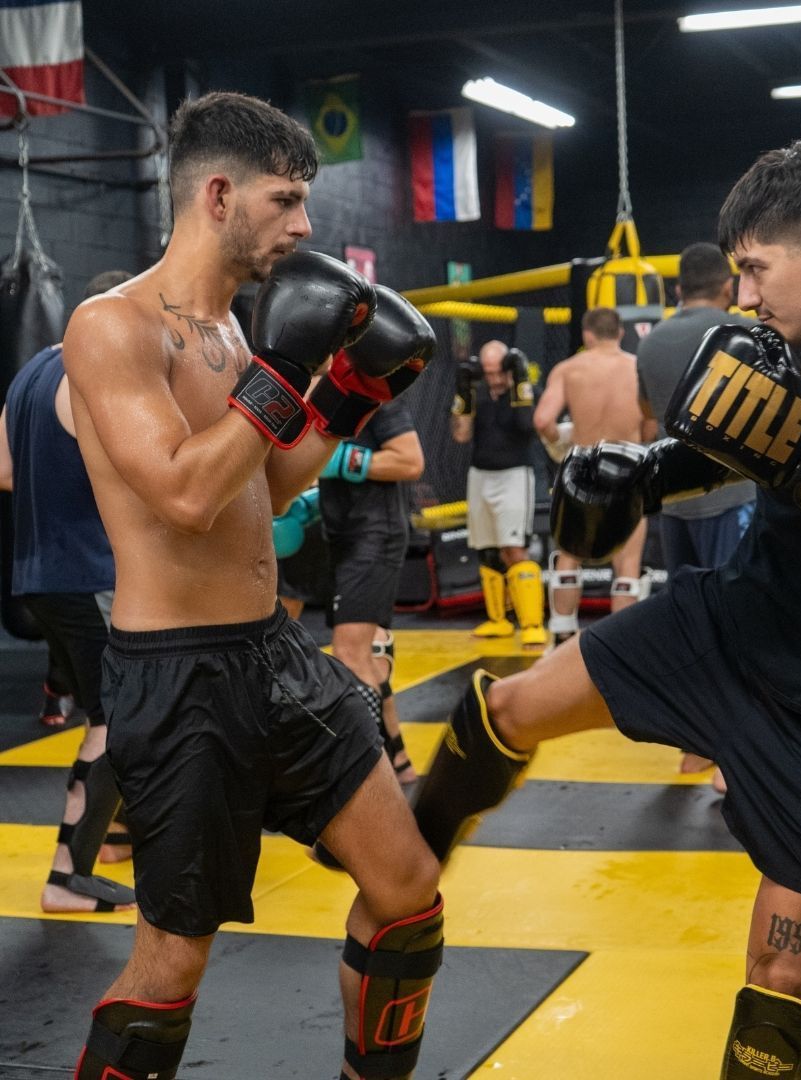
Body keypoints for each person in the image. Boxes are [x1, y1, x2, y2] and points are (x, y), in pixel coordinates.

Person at [413, 138, 801, 1079]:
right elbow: (736, 441)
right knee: (508, 706)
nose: (743, 296)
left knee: (777, 983)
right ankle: (411, 857)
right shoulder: (781, 349)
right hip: (732, 627)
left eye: (753, 269)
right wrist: (641, 477)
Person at [63, 91, 442, 1080]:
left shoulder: (232, 333)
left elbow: (262, 484)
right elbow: (185, 495)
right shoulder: (110, 328)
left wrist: (348, 402)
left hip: (274, 655)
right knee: (169, 965)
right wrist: (287, 367)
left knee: (408, 892)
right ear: (220, 195)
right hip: (178, 679)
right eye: (286, 201)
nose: (307, 227)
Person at [0, 269, 136, 915]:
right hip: (87, 571)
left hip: (38, 573)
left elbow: (2, 468)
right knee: (116, 720)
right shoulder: (93, 372)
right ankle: (67, 874)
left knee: (114, 715)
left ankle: (108, 842)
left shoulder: (31, 371)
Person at [635, 243, 758, 782]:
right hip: (731, 498)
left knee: (689, 619)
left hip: (674, 500)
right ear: (727, 285)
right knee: (740, 622)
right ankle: (732, 757)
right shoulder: (742, 334)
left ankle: (694, 744)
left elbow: (647, 416)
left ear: (677, 286)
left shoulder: (650, 342)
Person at [319, 396, 425, 784]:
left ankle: (367, 772)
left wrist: (345, 462)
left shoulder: (375, 394)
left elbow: (411, 461)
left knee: (348, 653)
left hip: (374, 536)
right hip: (341, 534)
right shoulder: (314, 393)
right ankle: (397, 761)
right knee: (364, 655)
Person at [533, 306, 648, 645]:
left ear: (587, 334)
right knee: (627, 565)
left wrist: (560, 443)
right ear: (621, 333)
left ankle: (562, 638)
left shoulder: (570, 369)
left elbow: (542, 421)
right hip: (629, 467)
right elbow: (652, 424)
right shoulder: (638, 369)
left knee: (570, 553)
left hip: (583, 468)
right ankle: (622, 648)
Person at [451, 339, 546, 647]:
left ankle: (532, 623)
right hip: (480, 476)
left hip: (514, 477)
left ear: (508, 367)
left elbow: (525, 426)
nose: (493, 378)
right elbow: (461, 435)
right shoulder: (479, 396)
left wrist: (520, 381)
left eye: (498, 371)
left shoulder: (524, 393)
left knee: (514, 548)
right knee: (488, 549)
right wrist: (463, 391)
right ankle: (498, 620)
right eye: (487, 372)